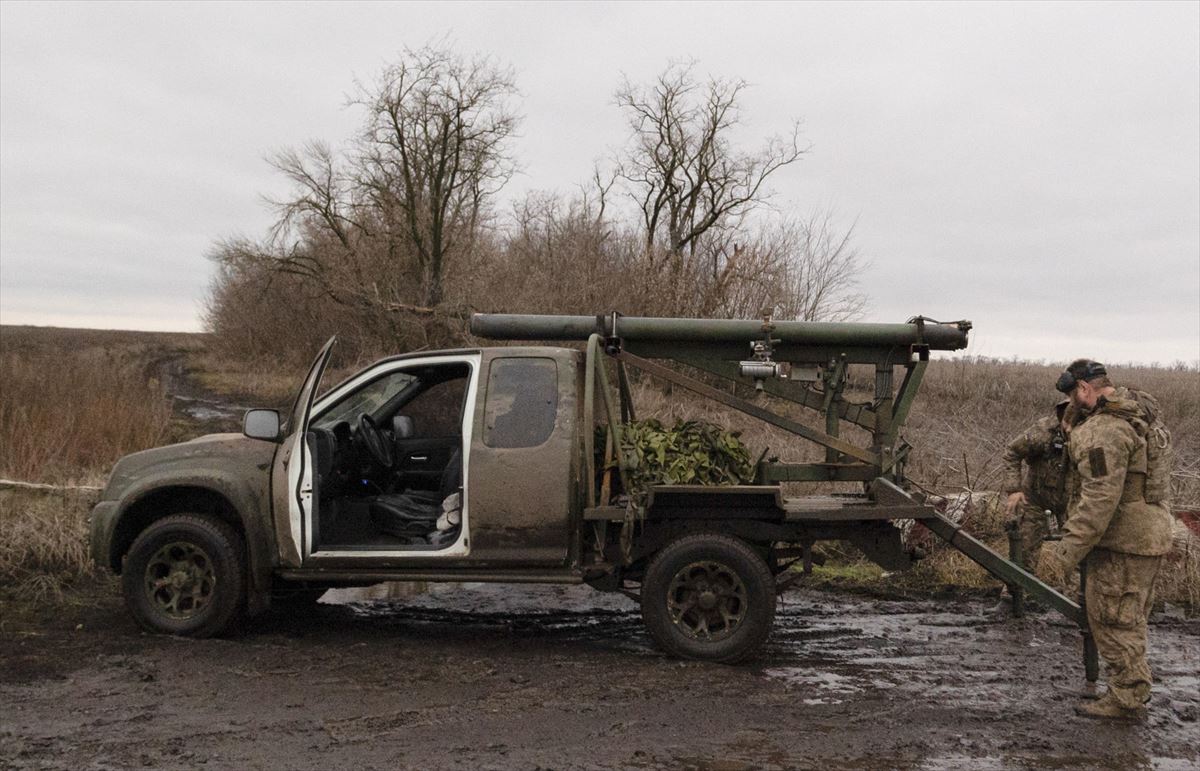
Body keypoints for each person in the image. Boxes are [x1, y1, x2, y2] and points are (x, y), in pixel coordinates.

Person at [1042, 359, 1174, 720]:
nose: (1072, 402)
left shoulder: (1105, 431)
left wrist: (1065, 552)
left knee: (1114, 618)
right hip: (1146, 536)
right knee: (1129, 617)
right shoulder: (1137, 417)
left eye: (1073, 394)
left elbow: (1100, 500)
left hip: (1123, 542)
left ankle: (1127, 700)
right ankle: (1130, 690)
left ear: (1085, 389)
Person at [1002, 399, 1072, 571]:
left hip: (1073, 501)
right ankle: (1015, 592)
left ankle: (1074, 597)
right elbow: (1012, 452)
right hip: (1035, 498)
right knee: (1023, 552)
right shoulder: (1043, 431)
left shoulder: (1093, 433)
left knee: (1078, 556)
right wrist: (1014, 490)